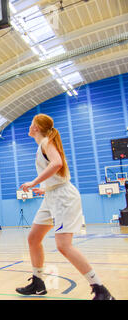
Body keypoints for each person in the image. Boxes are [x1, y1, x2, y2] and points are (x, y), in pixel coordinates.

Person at [16, 113, 114, 300]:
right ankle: (38, 283)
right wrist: (44, 189)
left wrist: (35, 182)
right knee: (33, 238)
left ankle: (100, 289)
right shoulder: (42, 144)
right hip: (52, 195)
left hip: (63, 197)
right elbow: (56, 174)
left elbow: (57, 163)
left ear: (36, 127)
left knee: (63, 245)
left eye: (31, 124)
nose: (29, 127)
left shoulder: (45, 142)